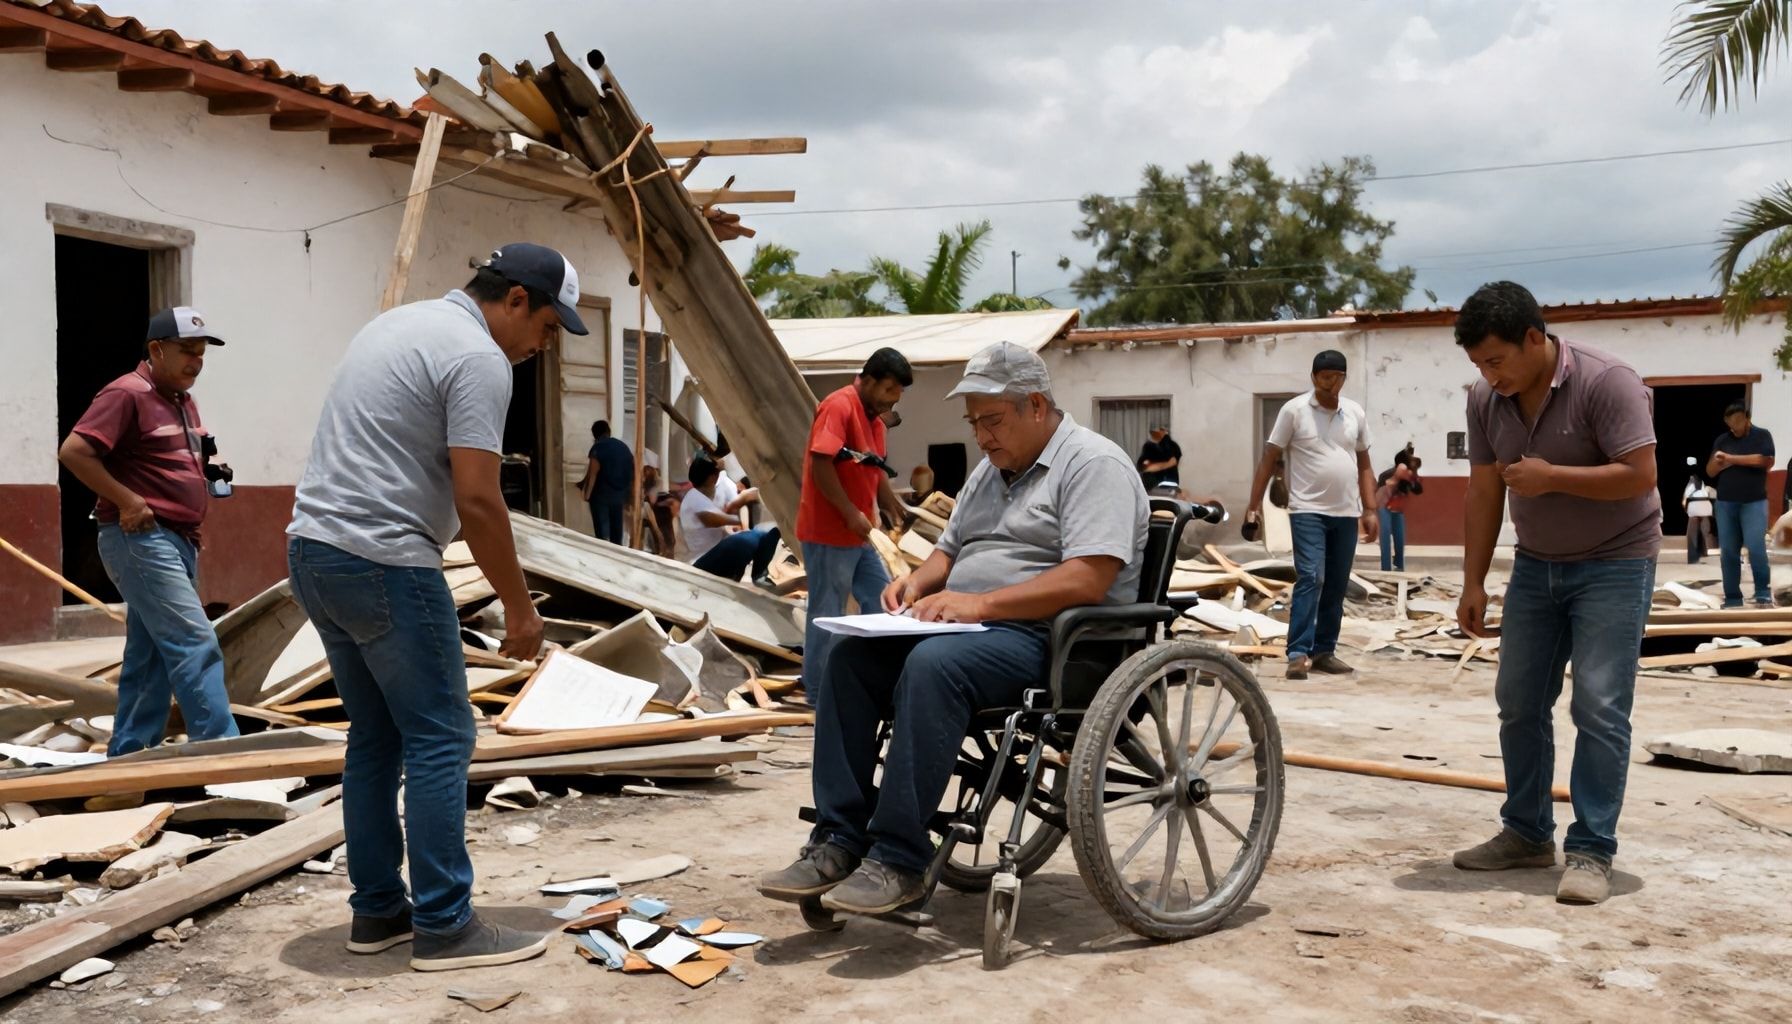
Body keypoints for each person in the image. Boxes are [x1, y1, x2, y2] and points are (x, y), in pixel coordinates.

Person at [757, 341, 1147, 914]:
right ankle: (838, 840)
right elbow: (948, 550)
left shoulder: (1094, 465)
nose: (981, 436)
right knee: (848, 659)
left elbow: (1088, 578)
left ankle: (898, 858)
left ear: (1036, 405)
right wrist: (917, 583)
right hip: (974, 628)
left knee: (933, 667)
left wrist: (980, 605)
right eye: (974, 423)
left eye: (991, 420)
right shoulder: (991, 472)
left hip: (1055, 641)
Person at [287, 243, 583, 970]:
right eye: (547, 327)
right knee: (443, 738)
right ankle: (447, 926)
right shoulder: (477, 357)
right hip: (385, 559)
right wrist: (520, 607)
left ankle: (379, 912)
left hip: (313, 551)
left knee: (378, 738)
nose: (544, 346)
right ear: (515, 298)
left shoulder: (401, 323)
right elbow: (478, 496)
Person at [1449, 281, 1660, 907]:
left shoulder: (1606, 381)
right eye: (1478, 365)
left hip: (1616, 565)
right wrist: (1473, 579)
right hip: (1536, 567)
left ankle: (1593, 850)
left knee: (1598, 706)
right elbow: (1485, 491)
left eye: (1496, 359)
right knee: (1517, 699)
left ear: (1535, 339)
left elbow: (1642, 476)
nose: (1489, 375)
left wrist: (1550, 478)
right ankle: (1526, 833)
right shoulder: (1486, 400)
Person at [58, 307, 239, 760]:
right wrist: (128, 500)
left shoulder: (182, 399)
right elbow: (75, 452)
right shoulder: (126, 393)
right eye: (187, 352)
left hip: (179, 539)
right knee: (195, 641)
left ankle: (129, 757)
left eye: (201, 354)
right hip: (140, 538)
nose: (196, 362)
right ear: (156, 349)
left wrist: (208, 469)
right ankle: (225, 756)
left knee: (151, 654)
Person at [1245, 350, 1377, 680]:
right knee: (1311, 577)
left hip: (1346, 512)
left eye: (1338, 377)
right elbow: (1268, 458)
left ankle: (1324, 651)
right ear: (1314, 377)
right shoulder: (1294, 411)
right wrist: (1253, 506)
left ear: (1345, 378)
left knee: (1335, 584)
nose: (1332, 383)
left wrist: (1371, 508)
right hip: (1307, 510)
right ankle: (1298, 652)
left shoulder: (1354, 413)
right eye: (1325, 377)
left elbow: (1364, 465)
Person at [796, 347, 912, 692]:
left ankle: (860, 677)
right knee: (827, 611)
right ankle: (817, 693)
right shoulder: (838, 405)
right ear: (870, 380)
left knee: (881, 600)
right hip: (830, 531)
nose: (893, 399)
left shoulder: (875, 418)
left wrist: (890, 503)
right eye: (890, 390)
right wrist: (849, 512)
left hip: (861, 533)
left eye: (899, 394)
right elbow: (821, 464)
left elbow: (873, 468)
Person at [1706, 401, 1775, 608]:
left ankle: (1762, 593)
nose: (1733, 426)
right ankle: (1733, 597)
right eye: (1730, 422)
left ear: (1747, 418)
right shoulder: (1723, 440)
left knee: (1756, 548)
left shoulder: (1762, 436)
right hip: (1726, 503)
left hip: (1754, 502)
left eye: (1737, 420)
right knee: (1728, 551)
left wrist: (1730, 459)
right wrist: (1719, 462)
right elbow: (1710, 471)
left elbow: (1764, 461)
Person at [680, 456, 781, 583]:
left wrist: (742, 520)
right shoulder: (694, 497)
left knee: (770, 531)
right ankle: (754, 576)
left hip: (717, 554)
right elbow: (713, 520)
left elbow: (737, 508)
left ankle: (759, 576)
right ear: (713, 477)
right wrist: (739, 518)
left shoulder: (715, 489)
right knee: (747, 540)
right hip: (702, 562)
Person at [577, 420, 632, 544]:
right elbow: (632, 471)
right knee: (616, 534)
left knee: (603, 535)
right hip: (619, 496)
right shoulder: (623, 447)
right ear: (608, 431)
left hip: (601, 497)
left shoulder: (598, 448)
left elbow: (593, 473)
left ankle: (605, 556)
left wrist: (587, 494)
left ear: (595, 434)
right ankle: (617, 556)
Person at [1375, 445, 1423, 571]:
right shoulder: (1387, 474)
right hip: (1384, 507)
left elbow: (1418, 490)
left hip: (1397, 509)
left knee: (1399, 538)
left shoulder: (1409, 475)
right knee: (1385, 537)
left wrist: (1413, 477)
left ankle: (1399, 566)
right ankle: (1386, 568)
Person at [1683, 456, 1716, 564]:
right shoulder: (1701, 478)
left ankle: (1693, 557)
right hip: (1705, 505)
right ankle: (1701, 553)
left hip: (1695, 505)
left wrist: (1685, 506)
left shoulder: (1692, 480)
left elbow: (1686, 497)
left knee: (1693, 532)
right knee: (1702, 531)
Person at [1136, 424, 1182, 494]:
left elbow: (1172, 462)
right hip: (1150, 486)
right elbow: (1142, 466)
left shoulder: (1171, 446)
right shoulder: (1148, 446)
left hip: (1166, 486)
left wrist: (1152, 467)